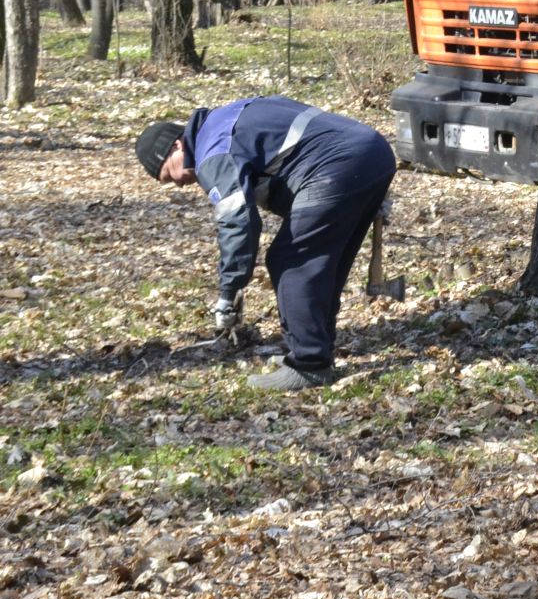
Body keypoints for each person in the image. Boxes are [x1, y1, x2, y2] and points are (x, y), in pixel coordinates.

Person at [137, 97, 397, 391]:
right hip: (371, 152)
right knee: (321, 261)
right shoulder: (227, 119)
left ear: (177, 146)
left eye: (169, 174)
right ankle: (315, 347)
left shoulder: (213, 151)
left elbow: (238, 222)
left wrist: (229, 290)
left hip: (339, 165)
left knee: (290, 260)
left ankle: (308, 365)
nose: (179, 184)